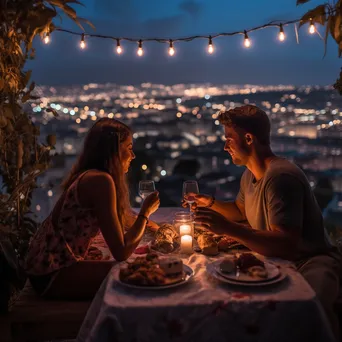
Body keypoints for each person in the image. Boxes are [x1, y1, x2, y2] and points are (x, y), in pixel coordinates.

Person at [186, 105, 341, 340]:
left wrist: (227, 228)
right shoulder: (250, 175)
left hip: (310, 263)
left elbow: (286, 244)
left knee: (303, 316)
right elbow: (240, 210)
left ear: (248, 139)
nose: (225, 146)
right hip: (276, 261)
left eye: (229, 139)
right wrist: (210, 203)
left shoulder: (280, 177)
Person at [25, 118, 160, 299]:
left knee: (140, 267)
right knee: (138, 276)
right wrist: (145, 213)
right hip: (52, 274)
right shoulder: (100, 181)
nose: (133, 155)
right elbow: (121, 251)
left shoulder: (90, 175)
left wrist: (158, 229)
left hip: (44, 267)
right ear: (113, 151)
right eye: (128, 148)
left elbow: (123, 218)